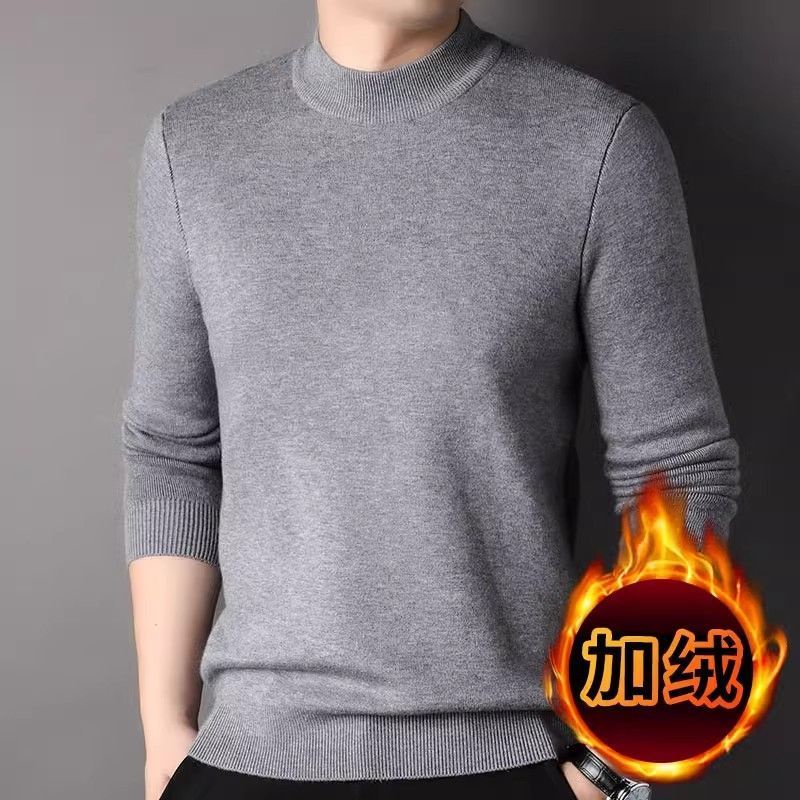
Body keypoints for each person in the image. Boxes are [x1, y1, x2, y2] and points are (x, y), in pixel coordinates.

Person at [121, 2, 740, 799]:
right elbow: (173, 453)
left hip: (513, 763)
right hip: (247, 762)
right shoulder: (196, 147)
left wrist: (606, 767)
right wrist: (165, 731)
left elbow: (678, 466)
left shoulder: (595, 140)